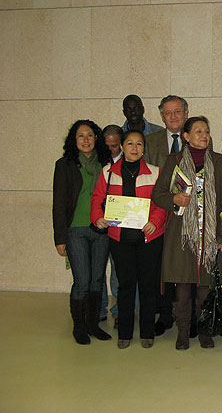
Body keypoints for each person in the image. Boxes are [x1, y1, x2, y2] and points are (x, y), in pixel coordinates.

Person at [151, 116, 222, 350]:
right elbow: (158, 194)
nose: (204, 135)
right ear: (186, 136)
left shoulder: (219, 162)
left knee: (206, 290)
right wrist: (174, 199)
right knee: (183, 290)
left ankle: (205, 331)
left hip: (209, 236)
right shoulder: (174, 161)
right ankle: (183, 333)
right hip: (182, 237)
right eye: (198, 131)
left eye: (206, 131)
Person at [90, 131, 166, 349]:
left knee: (148, 285)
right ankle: (124, 332)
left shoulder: (155, 172)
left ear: (144, 148)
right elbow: (97, 198)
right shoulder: (108, 173)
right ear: (122, 146)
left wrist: (155, 221)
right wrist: (97, 217)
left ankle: (147, 332)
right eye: (130, 143)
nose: (135, 148)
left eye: (139, 144)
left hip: (148, 237)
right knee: (124, 285)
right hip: (119, 238)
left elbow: (161, 202)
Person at [52, 120, 112, 345]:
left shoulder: (106, 164)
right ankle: (79, 326)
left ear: (96, 138)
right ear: (74, 140)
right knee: (82, 280)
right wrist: (60, 237)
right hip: (75, 230)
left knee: (97, 278)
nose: (86, 140)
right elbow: (59, 203)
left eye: (90, 135)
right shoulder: (64, 165)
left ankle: (93, 324)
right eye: (81, 136)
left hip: (101, 228)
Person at [143, 95, 190, 336]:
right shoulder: (150, 142)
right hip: (159, 211)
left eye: (177, 112)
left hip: (189, 214)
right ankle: (164, 312)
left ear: (186, 113)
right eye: (167, 113)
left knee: (184, 265)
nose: (172, 117)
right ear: (161, 116)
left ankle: (186, 312)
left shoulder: (198, 138)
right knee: (160, 265)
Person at [100, 124, 124, 326]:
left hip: (120, 228)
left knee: (118, 274)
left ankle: (119, 313)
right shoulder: (98, 164)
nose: (110, 150)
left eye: (114, 145)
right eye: (106, 145)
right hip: (100, 225)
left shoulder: (129, 164)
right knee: (97, 271)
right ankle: (98, 310)